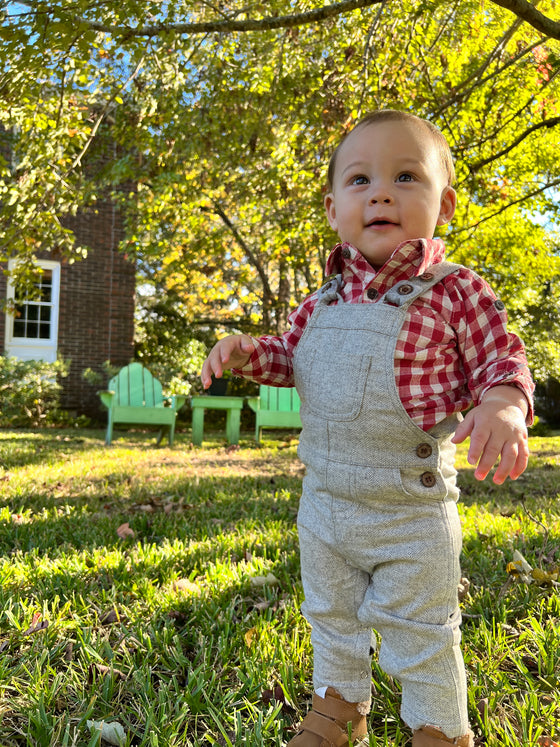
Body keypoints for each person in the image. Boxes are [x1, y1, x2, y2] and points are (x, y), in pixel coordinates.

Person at [200, 110, 534, 747]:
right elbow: (291, 359)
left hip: (409, 513)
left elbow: (501, 354)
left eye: (406, 176)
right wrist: (249, 352)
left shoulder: (454, 291)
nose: (381, 192)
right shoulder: (319, 301)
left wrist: (503, 404)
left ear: (446, 205)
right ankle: (338, 710)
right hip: (323, 505)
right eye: (361, 180)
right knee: (330, 616)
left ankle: (438, 729)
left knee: (420, 628)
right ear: (333, 209)